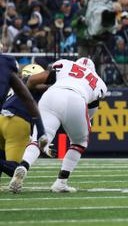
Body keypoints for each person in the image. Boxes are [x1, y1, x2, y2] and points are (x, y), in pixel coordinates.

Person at [9, 57, 107, 193]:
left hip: (52, 95)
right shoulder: (99, 82)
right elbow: (90, 112)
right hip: (77, 99)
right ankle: (61, 182)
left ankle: (24, 166)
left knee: (40, 138)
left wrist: (27, 90)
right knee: (79, 143)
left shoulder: (66, 64)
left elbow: (32, 80)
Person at [0, 64, 49, 179]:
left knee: (2, 158)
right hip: (17, 121)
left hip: (1, 118)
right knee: (15, 169)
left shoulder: (14, 86)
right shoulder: (34, 85)